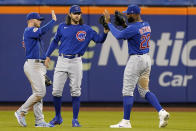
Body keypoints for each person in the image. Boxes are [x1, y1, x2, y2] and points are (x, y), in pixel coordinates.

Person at [103, 5, 169, 128]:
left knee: (127, 91)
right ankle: (161, 112)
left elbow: (119, 36)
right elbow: (133, 32)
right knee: (144, 91)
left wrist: (109, 23)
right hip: (146, 59)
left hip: (136, 60)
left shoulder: (133, 28)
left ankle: (126, 121)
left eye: (128, 14)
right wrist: (124, 26)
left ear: (134, 14)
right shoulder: (146, 24)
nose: (126, 16)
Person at [45, 5, 109, 127]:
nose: (77, 15)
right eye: (75, 13)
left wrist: (106, 30)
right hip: (62, 60)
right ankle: (58, 117)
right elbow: (54, 42)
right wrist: (47, 56)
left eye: (79, 13)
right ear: (69, 14)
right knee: (56, 91)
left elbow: (99, 39)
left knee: (75, 92)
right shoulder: (62, 27)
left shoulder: (87, 29)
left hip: (76, 61)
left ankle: (75, 119)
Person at [14, 10, 57, 127]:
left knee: (38, 95)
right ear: (32, 20)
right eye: (38, 20)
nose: (40, 22)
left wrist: (45, 59)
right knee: (40, 92)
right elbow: (42, 31)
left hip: (39, 65)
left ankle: (39, 121)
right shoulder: (28, 31)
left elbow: (38, 49)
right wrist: (53, 21)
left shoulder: (32, 34)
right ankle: (21, 112)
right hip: (33, 65)